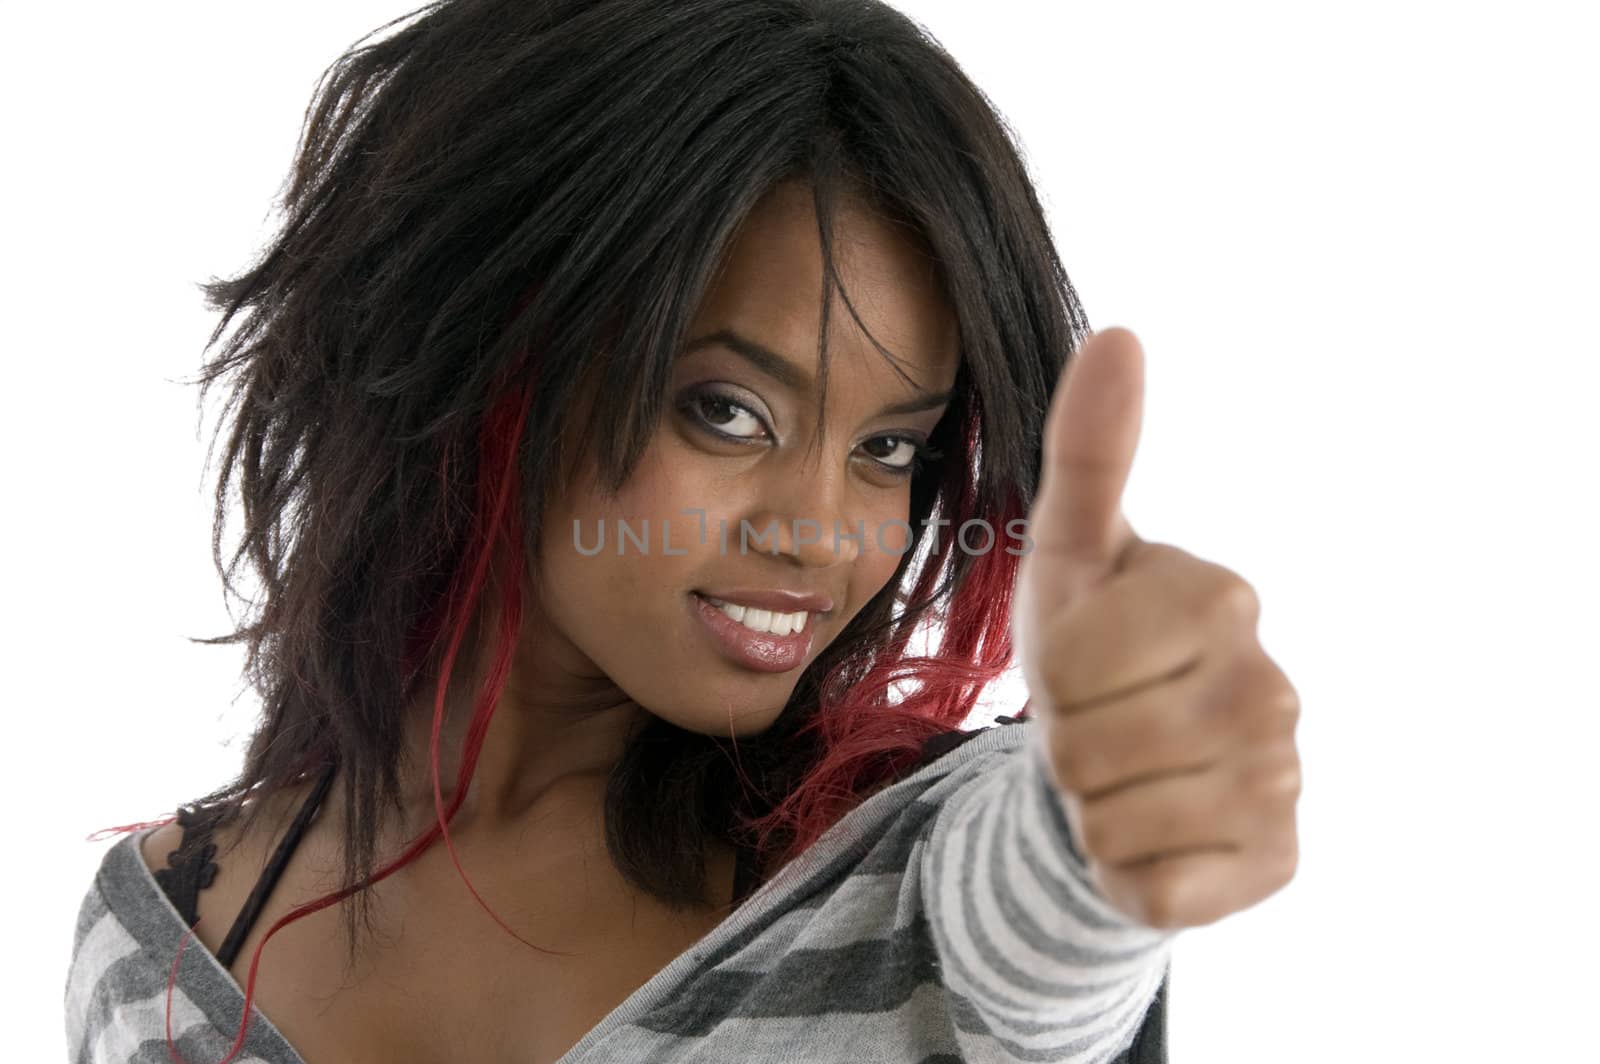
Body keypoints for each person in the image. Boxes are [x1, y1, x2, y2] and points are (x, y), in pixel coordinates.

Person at [62, 1, 1205, 1060]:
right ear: (484, 352)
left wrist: (1106, 812)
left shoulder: (922, 869)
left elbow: (1061, 938)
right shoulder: (159, 936)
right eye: (725, 410)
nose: (821, 534)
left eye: (888, 446)